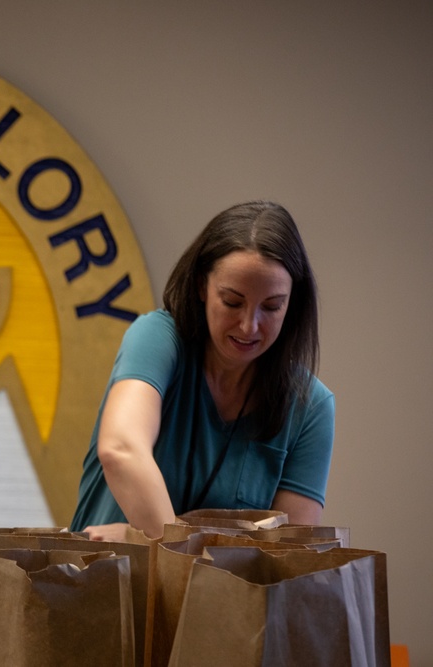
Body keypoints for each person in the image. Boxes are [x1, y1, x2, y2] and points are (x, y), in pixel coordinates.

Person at [70, 201, 334, 541]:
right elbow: (120, 449)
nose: (249, 326)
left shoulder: (310, 406)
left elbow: (286, 558)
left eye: (271, 306)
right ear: (201, 287)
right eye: (232, 301)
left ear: (291, 304)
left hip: (221, 597)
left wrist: (143, 540)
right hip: (101, 588)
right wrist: (172, 544)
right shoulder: (158, 338)